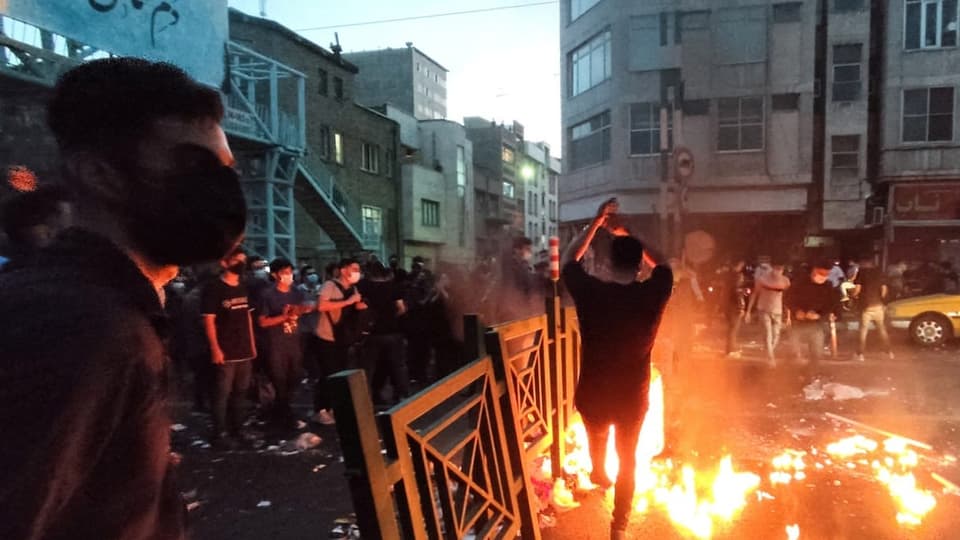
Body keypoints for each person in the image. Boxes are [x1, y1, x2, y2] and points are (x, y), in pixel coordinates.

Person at [0, 57, 245, 539]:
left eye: (225, 169)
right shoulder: (82, 327)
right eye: (193, 165)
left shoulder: (105, 307)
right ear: (99, 173)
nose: (221, 189)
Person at [561, 198, 672, 540]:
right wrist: (630, 231)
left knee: (597, 436)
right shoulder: (654, 293)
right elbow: (665, 263)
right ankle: (619, 528)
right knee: (628, 460)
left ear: (606, 265)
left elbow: (569, 260)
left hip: (593, 395)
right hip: (632, 398)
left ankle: (597, 471)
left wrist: (596, 223)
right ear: (640, 266)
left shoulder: (592, 292)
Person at [202, 247, 258, 447]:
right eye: (236, 261)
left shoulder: (243, 286)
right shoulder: (214, 288)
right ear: (224, 263)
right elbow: (209, 321)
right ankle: (219, 433)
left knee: (240, 393)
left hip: (244, 350)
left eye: (243, 261)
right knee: (222, 394)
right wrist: (215, 348)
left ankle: (238, 429)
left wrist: (252, 345)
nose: (240, 265)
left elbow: (248, 317)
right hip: (225, 351)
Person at [258, 257, 313, 430]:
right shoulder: (268, 294)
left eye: (290, 272)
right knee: (279, 379)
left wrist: (304, 309)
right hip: (275, 343)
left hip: (293, 340)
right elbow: (263, 322)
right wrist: (283, 317)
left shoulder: (296, 292)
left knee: (295, 376)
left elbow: (305, 306)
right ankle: (283, 416)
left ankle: (280, 411)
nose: (289, 275)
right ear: (275, 275)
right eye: (284, 273)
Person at [313, 258, 367, 424]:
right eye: (354, 268)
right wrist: (349, 302)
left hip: (343, 338)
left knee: (339, 374)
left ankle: (333, 408)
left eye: (358, 269)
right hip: (326, 336)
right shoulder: (329, 286)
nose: (357, 272)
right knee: (327, 373)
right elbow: (321, 306)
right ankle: (320, 409)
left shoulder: (353, 289)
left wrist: (358, 307)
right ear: (344, 270)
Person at [358, 261, 410, 406]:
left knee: (368, 368)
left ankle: (364, 399)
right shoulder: (394, 287)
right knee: (398, 366)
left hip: (372, 333)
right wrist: (392, 317)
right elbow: (401, 308)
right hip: (393, 332)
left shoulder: (364, 286)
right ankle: (403, 396)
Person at [786, 263, 842, 367]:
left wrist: (819, 315)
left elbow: (832, 304)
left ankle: (812, 376)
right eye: (822, 273)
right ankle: (792, 377)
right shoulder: (799, 283)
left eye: (827, 274)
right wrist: (797, 311)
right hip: (798, 325)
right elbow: (788, 299)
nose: (823, 277)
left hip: (817, 326)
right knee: (794, 355)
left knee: (816, 355)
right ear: (814, 271)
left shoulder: (828, 286)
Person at [746, 261, 791, 367]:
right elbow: (755, 294)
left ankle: (768, 352)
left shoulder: (785, 281)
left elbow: (788, 299)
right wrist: (748, 311)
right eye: (776, 268)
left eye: (780, 269)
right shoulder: (762, 280)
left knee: (776, 335)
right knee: (768, 334)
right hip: (763, 309)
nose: (778, 271)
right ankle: (771, 359)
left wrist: (788, 315)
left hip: (777, 311)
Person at [852, 257, 893, 362]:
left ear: (863, 263)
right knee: (882, 329)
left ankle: (860, 354)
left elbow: (857, 289)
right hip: (878, 305)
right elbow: (884, 289)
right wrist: (882, 301)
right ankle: (888, 352)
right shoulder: (879, 273)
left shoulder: (861, 273)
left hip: (866, 306)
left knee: (863, 330)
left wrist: (853, 295)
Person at [723, 260, 747, 358]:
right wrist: (741, 307)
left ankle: (730, 348)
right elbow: (737, 292)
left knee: (731, 328)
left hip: (727, 305)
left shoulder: (727, 275)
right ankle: (730, 350)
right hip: (734, 306)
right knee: (734, 328)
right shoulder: (738, 276)